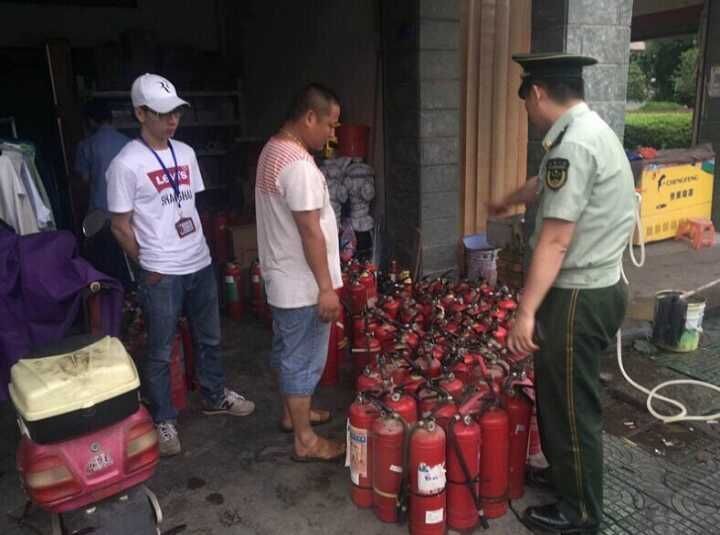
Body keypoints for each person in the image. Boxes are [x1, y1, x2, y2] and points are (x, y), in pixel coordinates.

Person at [492, 53, 636, 534]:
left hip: (577, 295)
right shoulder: (591, 131)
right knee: (557, 397)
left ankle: (581, 513)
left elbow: (555, 239)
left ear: (536, 93)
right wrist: (509, 199)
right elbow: (544, 186)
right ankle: (565, 476)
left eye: (525, 103)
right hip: (598, 286)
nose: (528, 115)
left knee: (572, 406)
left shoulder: (571, 147)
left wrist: (526, 312)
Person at [106, 73, 255, 457]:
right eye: (162, 113)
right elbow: (120, 227)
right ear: (140, 113)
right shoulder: (125, 164)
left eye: (176, 112)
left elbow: (189, 206)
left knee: (210, 338)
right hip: (161, 270)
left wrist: (200, 250)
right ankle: (164, 419)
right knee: (160, 349)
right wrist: (149, 264)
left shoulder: (186, 153)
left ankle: (214, 393)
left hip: (198, 261)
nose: (172, 120)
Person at [255, 84, 345, 462]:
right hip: (303, 286)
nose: (332, 134)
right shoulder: (297, 166)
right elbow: (310, 230)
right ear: (310, 117)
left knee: (287, 351)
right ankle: (305, 441)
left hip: (282, 278)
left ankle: (295, 415)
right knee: (303, 358)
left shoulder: (272, 150)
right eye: (329, 124)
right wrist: (326, 288)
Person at [75, 99, 131, 284]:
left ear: (90, 121)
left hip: (99, 217)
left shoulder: (86, 145)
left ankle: (110, 306)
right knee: (129, 267)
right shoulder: (129, 144)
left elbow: (83, 181)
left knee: (104, 270)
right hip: (129, 215)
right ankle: (131, 305)